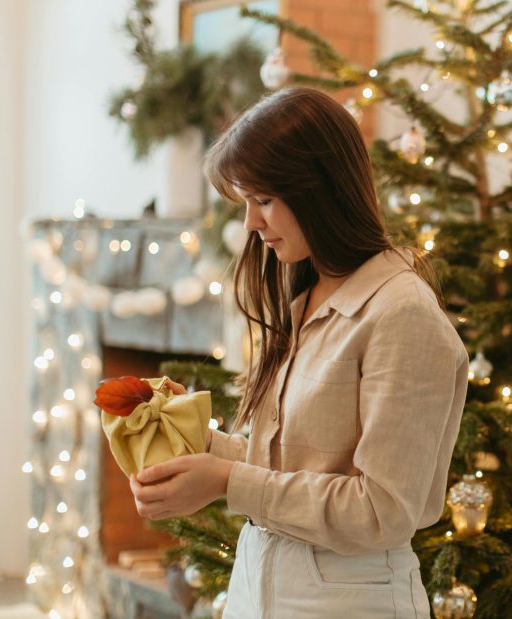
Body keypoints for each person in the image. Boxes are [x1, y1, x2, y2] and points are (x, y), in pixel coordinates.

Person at [129, 87, 469, 618]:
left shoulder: (402, 315)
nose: (250, 223)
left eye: (264, 200)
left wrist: (226, 483)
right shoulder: (304, 295)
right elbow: (295, 466)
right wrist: (200, 442)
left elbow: (383, 509)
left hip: (349, 601)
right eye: (245, 202)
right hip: (258, 586)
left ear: (322, 190)